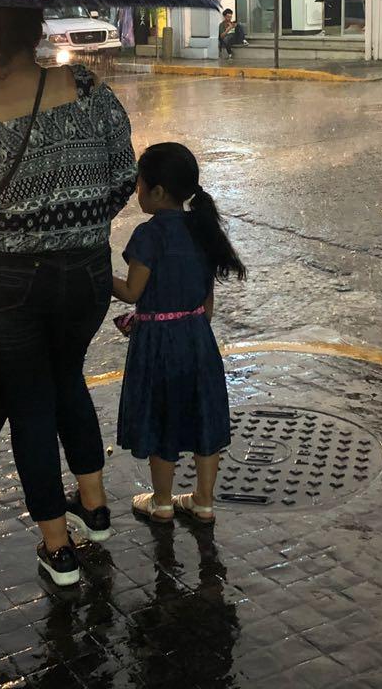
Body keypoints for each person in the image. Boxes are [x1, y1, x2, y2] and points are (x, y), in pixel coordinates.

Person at [0, 5, 137, 588]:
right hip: (88, 275)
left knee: (31, 406)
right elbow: (124, 179)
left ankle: (57, 547)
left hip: (9, 285)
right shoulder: (91, 90)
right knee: (67, 379)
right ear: (39, 32)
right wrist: (74, 222)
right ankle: (94, 510)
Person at [112, 142, 246, 526]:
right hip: (197, 338)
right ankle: (203, 502)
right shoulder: (202, 228)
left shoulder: (149, 235)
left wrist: (99, 274)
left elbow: (132, 292)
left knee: (163, 417)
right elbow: (207, 304)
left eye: (139, 184)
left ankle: (163, 501)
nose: (137, 191)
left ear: (157, 191)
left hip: (158, 344)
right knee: (204, 415)